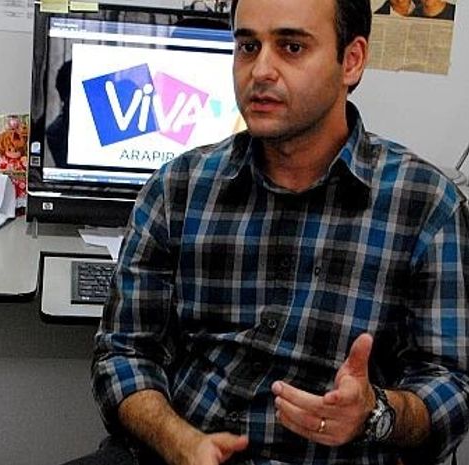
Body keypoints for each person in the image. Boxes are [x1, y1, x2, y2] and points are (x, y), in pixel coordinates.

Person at [70, 0, 469, 464]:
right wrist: (180, 442)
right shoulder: (177, 189)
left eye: (291, 47)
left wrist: (377, 411)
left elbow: (451, 385)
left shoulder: (425, 205)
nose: (260, 71)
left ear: (351, 60)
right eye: (248, 47)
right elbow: (123, 353)